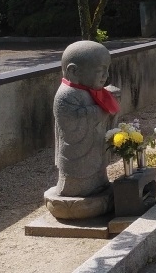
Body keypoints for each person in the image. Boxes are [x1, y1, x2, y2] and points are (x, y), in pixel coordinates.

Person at [51, 40, 120, 199]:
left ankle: (99, 184)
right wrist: (103, 109)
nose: (106, 76)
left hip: (95, 151)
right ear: (74, 71)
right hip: (77, 155)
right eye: (100, 70)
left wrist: (111, 99)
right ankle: (74, 190)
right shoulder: (66, 94)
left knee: (99, 174)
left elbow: (100, 113)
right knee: (79, 182)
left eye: (107, 70)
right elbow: (72, 122)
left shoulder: (90, 90)